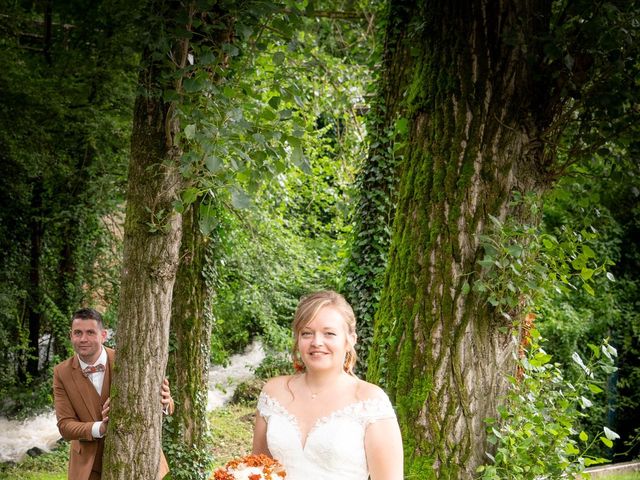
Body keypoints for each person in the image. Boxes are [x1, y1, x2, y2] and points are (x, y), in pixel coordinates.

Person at [252, 290, 404, 480]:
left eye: (329, 333)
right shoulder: (273, 392)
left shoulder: (371, 401)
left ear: (350, 341)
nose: (317, 342)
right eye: (307, 333)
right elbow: (257, 469)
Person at [53, 308, 174, 480]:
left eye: (90, 332)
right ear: (70, 335)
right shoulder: (61, 372)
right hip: (89, 467)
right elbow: (65, 426)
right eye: (78, 333)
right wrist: (100, 428)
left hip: (137, 456)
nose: (83, 339)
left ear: (103, 335)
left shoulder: (128, 360)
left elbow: (169, 407)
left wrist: (165, 402)